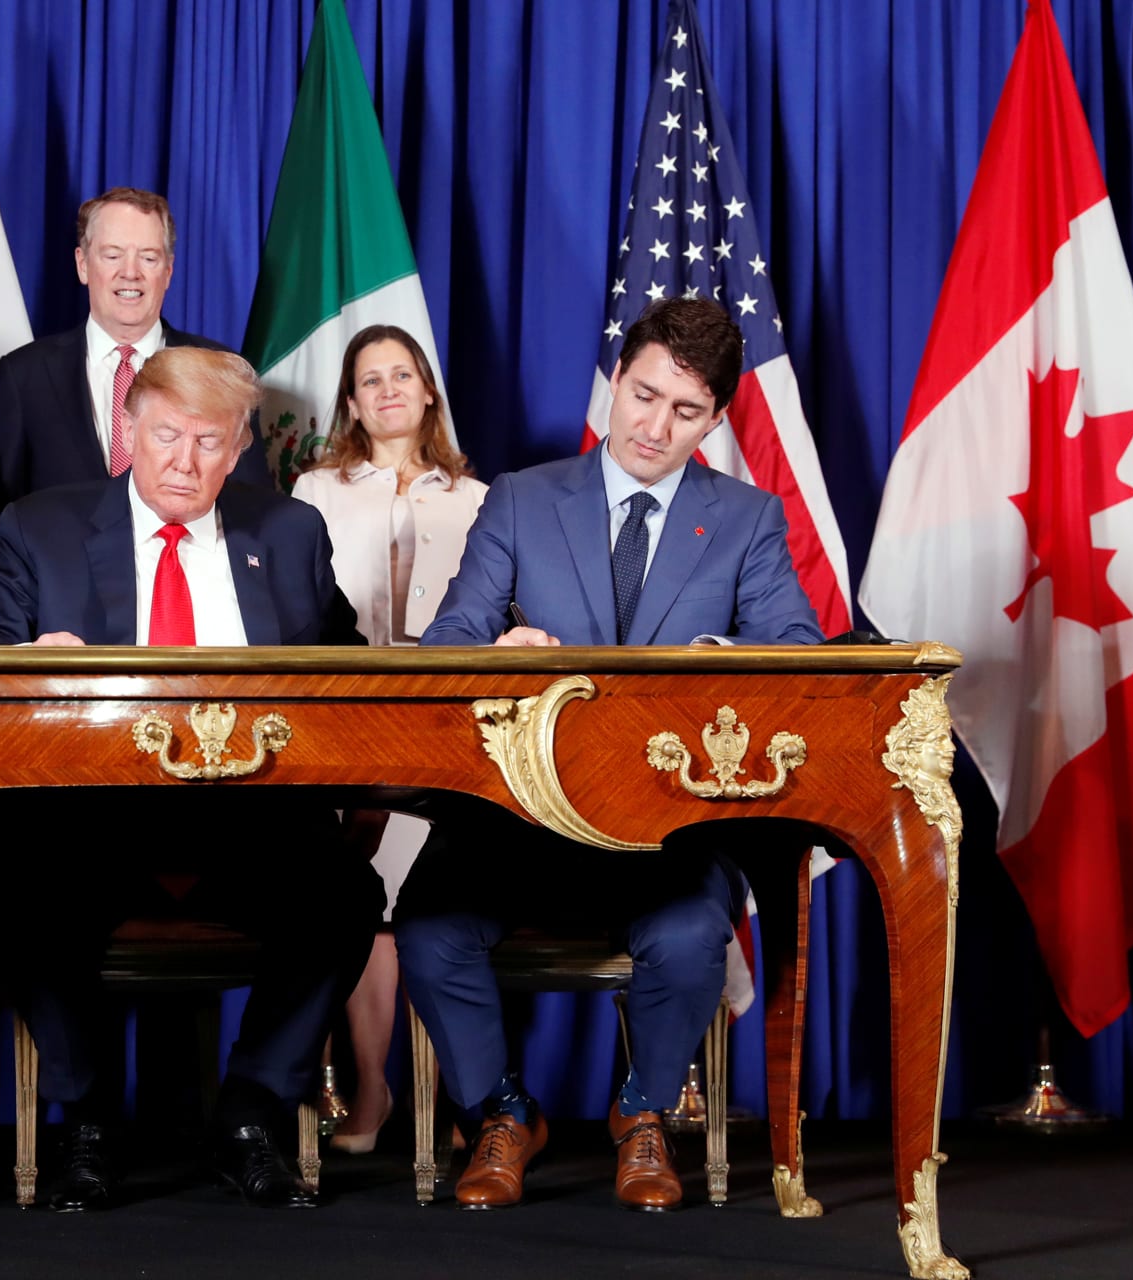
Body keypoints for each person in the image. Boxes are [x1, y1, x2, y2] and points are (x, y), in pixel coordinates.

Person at [400, 297, 822, 1211]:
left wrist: (723, 662)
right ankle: (503, 1116)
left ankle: (641, 1116)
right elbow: (448, 642)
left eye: (684, 410)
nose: (655, 426)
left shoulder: (747, 518)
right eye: (644, 395)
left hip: (666, 829)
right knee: (429, 930)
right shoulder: (521, 496)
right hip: (519, 820)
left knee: (688, 935)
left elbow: (797, 646)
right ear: (615, 385)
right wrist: (492, 653)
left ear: (714, 419)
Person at [0, 346, 381, 1212]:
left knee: (345, 893)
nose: (185, 463)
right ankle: (88, 1122)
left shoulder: (289, 533)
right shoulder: (41, 527)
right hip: (91, 828)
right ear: (128, 431)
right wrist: (24, 667)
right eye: (166, 436)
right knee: (20, 876)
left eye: (208, 442)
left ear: (237, 449)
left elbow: (349, 680)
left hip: (252, 829)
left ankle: (250, 1112)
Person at [289, 325, 486, 1152]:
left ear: (428, 389)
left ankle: (448, 1102)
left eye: (401, 374)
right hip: (346, 717)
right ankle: (371, 1097)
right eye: (369, 380)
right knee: (360, 902)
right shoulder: (313, 491)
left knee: (426, 900)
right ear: (351, 401)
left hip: (445, 724)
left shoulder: (479, 499)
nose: (388, 390)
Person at [0, 187, 272, 544]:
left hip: (186, 587)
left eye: (148, 258)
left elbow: (255, 508)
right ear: (83, 264)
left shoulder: (222, 372)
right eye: (113, 255)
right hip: (61, 592)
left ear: (168, 270)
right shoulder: (25, 376)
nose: (130, 273)